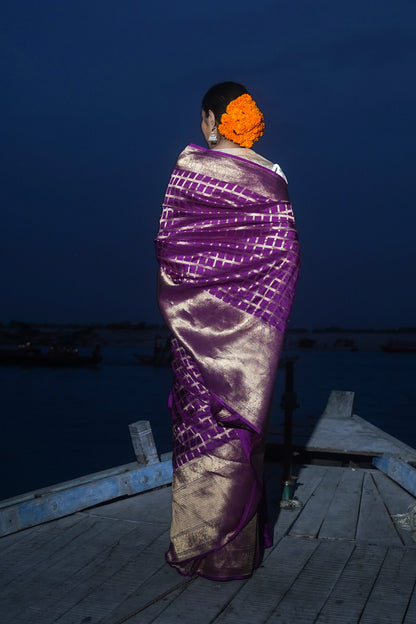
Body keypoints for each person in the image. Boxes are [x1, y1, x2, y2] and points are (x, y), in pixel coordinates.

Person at [155, 82, 300, 580]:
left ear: (211, 120)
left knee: (199, 430)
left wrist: (196, 301)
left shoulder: (189, 169)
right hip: (251, 340)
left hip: (194, 327)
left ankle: (198, 551)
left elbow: (171, 244)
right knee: (239, 433)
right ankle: (234, 558)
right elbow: (284, 253)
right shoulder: (273, 177)